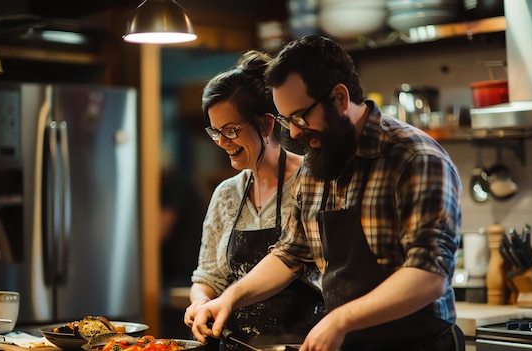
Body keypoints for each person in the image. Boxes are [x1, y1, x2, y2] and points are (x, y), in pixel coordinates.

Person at [187, 35, 465, 351]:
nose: (292, 133)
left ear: (339, 98)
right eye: (285, 120)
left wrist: (339, 319)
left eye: (299, 117)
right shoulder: (317, 166)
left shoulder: (414, 159)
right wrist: (229, 299)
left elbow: (428, 275)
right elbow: (289, 254)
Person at [184, 50, 326, 350]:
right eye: (215, 132)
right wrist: (200, 303)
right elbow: (208, 276)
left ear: (265, 125)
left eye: (231, 130)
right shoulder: (226, 194)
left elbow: (294, 261)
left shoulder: (311, 181)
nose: (222, 142)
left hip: (302, 343)